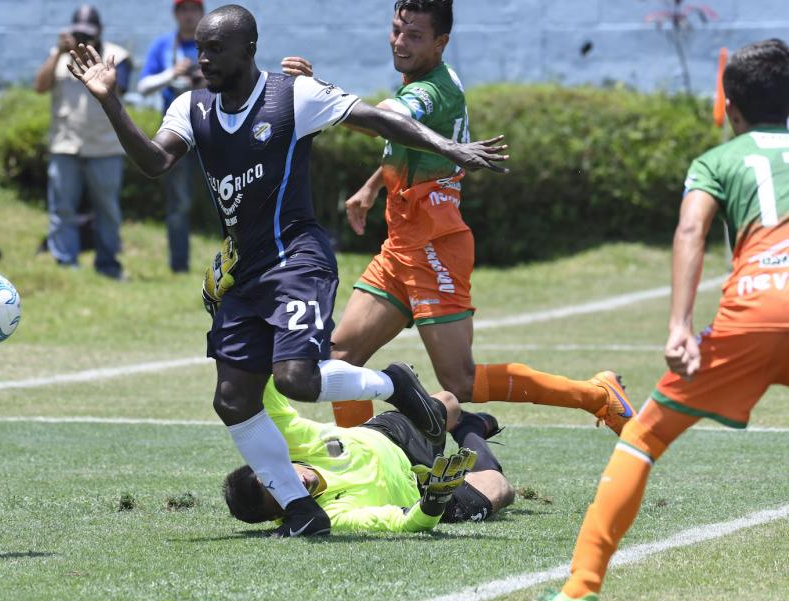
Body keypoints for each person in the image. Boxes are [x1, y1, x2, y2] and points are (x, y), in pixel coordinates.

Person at [66, 4, 508, 537]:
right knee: (232, 399)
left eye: (216, 50)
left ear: (248, 50)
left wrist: (448, 146)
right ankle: (302, 511)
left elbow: (378, 117)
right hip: (243, 274)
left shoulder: (291, 97)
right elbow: (154, 161)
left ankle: (392, 385)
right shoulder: (191, 106)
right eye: (200, 48)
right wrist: (109, 100)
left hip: (297, 260)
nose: (203, 58)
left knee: (296, 378)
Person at [507, 39, 789, 601]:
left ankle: (579, 593)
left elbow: (691, 233)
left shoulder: (718, 160)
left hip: (752, 316)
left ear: (730, 105)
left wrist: (680, 326)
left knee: (642, 439)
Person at [286, 0, 636, 435]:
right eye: (397, 29)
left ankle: (597, 396)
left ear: (441, 42)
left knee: (460, 381)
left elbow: (381, 123)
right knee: (339, 361)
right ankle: (369, 459)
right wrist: (375, 184)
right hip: (401, 248)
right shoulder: (429, 79)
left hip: (435, 247)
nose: (400, 42)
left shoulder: (430, 90)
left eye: (415, 35)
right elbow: (419, 142)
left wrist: (315, 88)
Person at [224, 379, 514, 532]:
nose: (296, 485)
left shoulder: (284, 441)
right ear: (284, 514)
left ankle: (460, 421)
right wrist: (433, 502)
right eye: (285, 499)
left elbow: (257, 379)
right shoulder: (330, 517)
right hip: (419, 491)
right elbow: (404, 523)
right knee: (500, 489)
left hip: (388, 435)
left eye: (282, 481)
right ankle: (473, 429)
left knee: (449, 402)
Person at [34, 5, 132, 280]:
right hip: (65, 145)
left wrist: (96, 66)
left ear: (99, 32)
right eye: (78, 33)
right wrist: (56, 54)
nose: (83, 38)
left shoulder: (117, 56)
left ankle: (108, 264)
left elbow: (121, 87)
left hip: (105, 147)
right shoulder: (60, 56)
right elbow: (40, 86)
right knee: (61, 207)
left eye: (88, 34)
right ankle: (66, 263)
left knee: (107, 211)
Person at [137, 0, 207, 273]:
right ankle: (180, 265)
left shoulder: (214, 42)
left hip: (213, 130)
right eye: (183, 9)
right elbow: (143, 86)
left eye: (194, 9)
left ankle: (236, 265)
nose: (189, 15)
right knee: (178, 203)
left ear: (202, 13)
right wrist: (172, 74)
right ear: (176, 14)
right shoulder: (162, 45)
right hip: (176, 133)